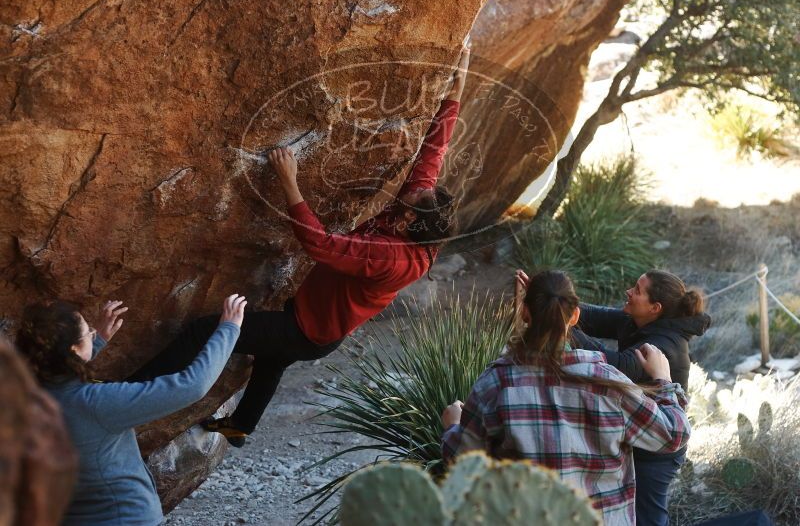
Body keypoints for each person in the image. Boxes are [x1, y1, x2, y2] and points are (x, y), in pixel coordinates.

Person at [130, 42, 472, 447]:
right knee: (270, 363)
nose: (415, 191)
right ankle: (241, 426)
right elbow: (434, 151)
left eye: (416, 198)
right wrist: (459, 81)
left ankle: (129, 393)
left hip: (306, 330)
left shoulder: (393, 257)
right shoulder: (417, 220)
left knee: (206, 331)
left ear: (413, 219)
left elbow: (321, 246)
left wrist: (289, 181)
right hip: (319, 325)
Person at [441, 270, 690, 526]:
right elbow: (675, 433)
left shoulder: (494, 385)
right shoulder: (611, 385)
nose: (629, 292)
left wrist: (453, 428)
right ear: (575, 317)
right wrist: (665, 381)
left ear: (524, 312)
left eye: (637, 290)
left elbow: (465, 464)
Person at [15, 295, 247, 526]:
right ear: (74, 350)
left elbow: (57, 378)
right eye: (89, 333)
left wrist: (96, 342)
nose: (94, 333)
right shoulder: (97, 405)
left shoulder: (23, 400)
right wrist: (229, 328)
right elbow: (191, 386)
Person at [565, 269, 711, 526]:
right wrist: (555, 302)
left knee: (647, 519)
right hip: (639, 432)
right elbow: (591, 317)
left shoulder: (663, 344)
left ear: (655, 307)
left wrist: (557, 324)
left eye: (637, 290)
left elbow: (614, 364)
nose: (629, 292)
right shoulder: (637, 320)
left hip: (659, 446)